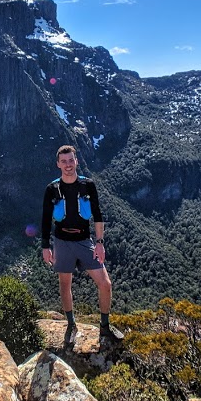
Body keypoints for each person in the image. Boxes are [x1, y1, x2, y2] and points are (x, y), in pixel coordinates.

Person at [41, 145, 123, 341]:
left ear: (76, 161)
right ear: (58, 164)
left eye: (71, 160)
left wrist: (100, 242)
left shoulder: (88, 185)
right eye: (64, 161)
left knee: (105, 283)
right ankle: (71, 324)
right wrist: (45, 246)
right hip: (61, 242)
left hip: (85, 241)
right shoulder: (52, 189)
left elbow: (97, 214)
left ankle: (104, 325)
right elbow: (45, 218)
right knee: (65, 283)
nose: (68, 165)